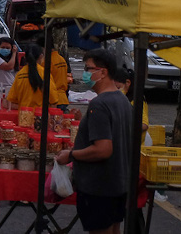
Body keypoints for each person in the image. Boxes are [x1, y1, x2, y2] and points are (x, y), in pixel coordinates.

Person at [56, 48, 132, 234]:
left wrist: (71, 155)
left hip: (100, 188)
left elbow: (103, 149)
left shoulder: (99, 105)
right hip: (118, 184)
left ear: (103, 72)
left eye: (89, 69)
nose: (85, 73)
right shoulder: (122, 101)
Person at [5, 44, 68, 110]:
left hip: (24, 116)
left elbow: (11, 100)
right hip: (41, 117)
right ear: (41, 56)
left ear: (24, 57)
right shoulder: (44, 73)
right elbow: (53, 100)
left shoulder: (20, 75)